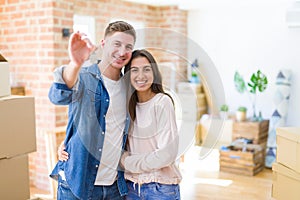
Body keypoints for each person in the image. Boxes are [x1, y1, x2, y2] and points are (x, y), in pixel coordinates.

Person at [48, 21, 136, 200]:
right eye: (116, 44)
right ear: (103, 44)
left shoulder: (129, 87)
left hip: (114, 187)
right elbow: (58, 96)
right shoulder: (84, 76)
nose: (122, 52)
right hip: (77, 184)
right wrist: (75, 63)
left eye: (128, 46)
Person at [121, 49, 182, 199]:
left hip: (160, 188)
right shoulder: (126, 106)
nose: (140, 76)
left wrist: (128, 162)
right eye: (134, 70)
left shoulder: (162, 102)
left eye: (146, 69)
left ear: (154, 73)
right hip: (131, 188)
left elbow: (166, 155)